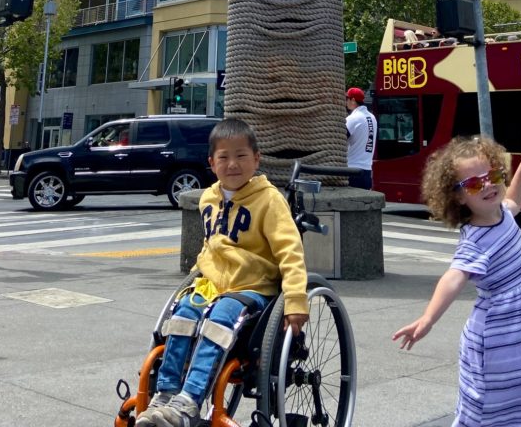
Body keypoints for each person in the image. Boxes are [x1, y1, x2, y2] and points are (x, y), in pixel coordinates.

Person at [392, 132, 521, 427]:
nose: (487, 185)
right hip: (502, 331)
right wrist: (428, 318)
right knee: (499, 397)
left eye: (492, 174)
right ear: (457, 196)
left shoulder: (501, 213)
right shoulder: (475, 240)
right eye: (473, 183)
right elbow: (454, 277)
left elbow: (514, 201)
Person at [136, 118, 308, 427]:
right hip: (211, 287)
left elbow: (291, 252)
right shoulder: (208, 199)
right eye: (224, 157)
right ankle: (165, 395)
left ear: (256, 158)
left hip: (252, 286)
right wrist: (198, 275)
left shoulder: (269, 201)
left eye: (241, 156)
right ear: (211, 163)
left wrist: (295, 299)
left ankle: (188, 403)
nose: (233, 164)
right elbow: (209, 246)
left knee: (220, 319)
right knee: (183, 314)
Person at [345, 87, 377, 189]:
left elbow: (339, 140)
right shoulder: (372, 118)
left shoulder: (353, 118)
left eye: (347, 99)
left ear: (353, 100)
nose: (346, 102)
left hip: (352, 170)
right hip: (367, 171)